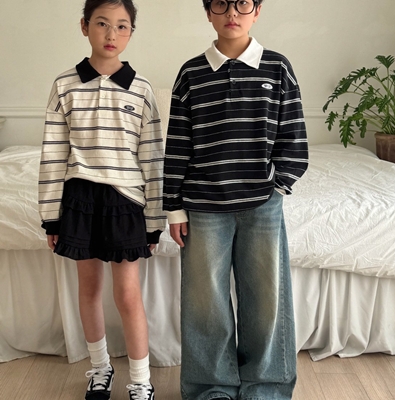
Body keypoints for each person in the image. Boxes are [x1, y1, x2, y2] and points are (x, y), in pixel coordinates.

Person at [163, 0, 308, 399]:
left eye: (243, 3)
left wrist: (279, 184)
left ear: (256, 11)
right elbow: (177, 145)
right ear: (208, 12)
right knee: (204, 304)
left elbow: (294, 136)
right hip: (203, 206)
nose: (232, 12)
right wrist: (173, 206)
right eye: (221, 3)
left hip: (262, 205)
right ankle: (210, 389)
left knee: (267, 300)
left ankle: (266, 388)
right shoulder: (191, 74)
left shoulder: (277, 67)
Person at [38, 1, 165, 399]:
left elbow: (152, 158)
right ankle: (99, 369)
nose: (112, 34)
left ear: (131, 33)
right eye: (102, 24)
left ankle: (140, 380)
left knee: (127, 294)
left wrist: (154, 221)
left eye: (122, 26)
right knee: (89, 289)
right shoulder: (64, 85)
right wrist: (51, 217)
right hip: (80, 199)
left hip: (126, 202)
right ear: (85, 26)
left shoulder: (141, 89)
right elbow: (53, 154)